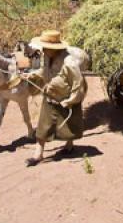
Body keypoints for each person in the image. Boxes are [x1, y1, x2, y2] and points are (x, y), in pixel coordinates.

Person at [22, 30, 87, 167]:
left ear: (54, 48)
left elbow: (78, 82)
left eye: (46, 47)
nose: (43, 50)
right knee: (42, 126)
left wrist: (72, 100)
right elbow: (45, 71)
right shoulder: (46, 56)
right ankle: (38, 154)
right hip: (50, 95)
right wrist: (33, 75)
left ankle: (69, 145)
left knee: (69, 124)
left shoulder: (69, 62)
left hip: (66, 97)